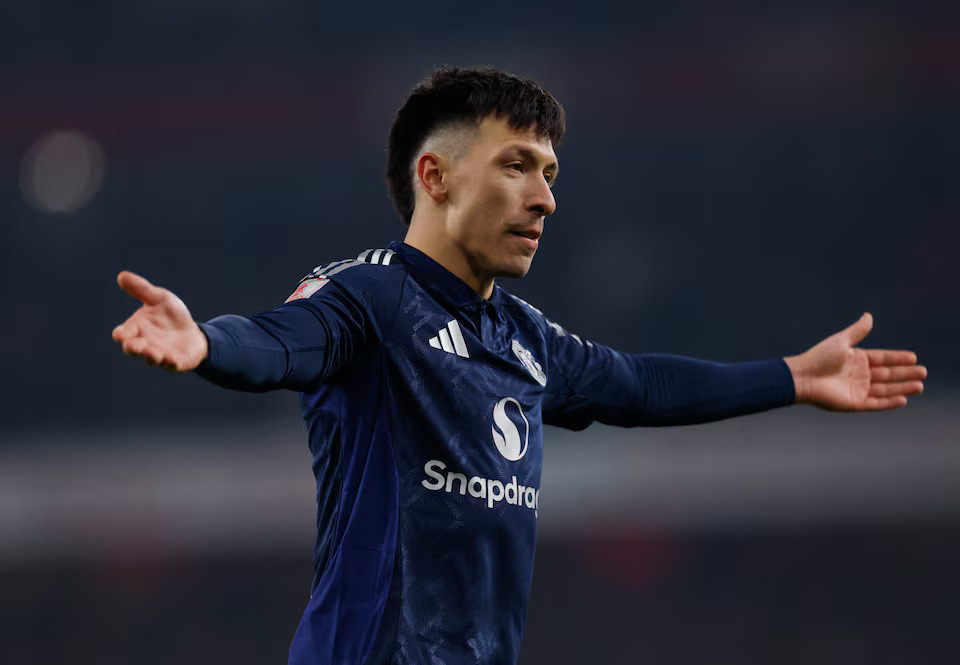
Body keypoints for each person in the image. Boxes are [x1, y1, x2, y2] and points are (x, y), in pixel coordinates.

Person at [111, 66, 926, 665]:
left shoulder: (526, 339)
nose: (545, 198)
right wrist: (208, 344)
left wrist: (792, 376)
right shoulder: (370, 295)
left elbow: (640, 385)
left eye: (550, 173)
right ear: (434, 177)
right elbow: (287, 340)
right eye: (517, 166)